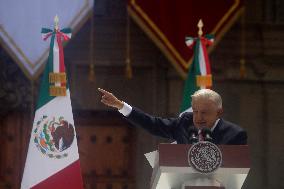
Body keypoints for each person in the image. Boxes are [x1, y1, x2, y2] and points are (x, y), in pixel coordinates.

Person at [98, 88, 247, 145]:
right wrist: (120, 106)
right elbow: (153, 124)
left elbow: (235, 171)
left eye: (204, 112)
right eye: (195, 111)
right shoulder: (185, 122)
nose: (198, 117)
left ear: (219, 112)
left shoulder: (235, 135)